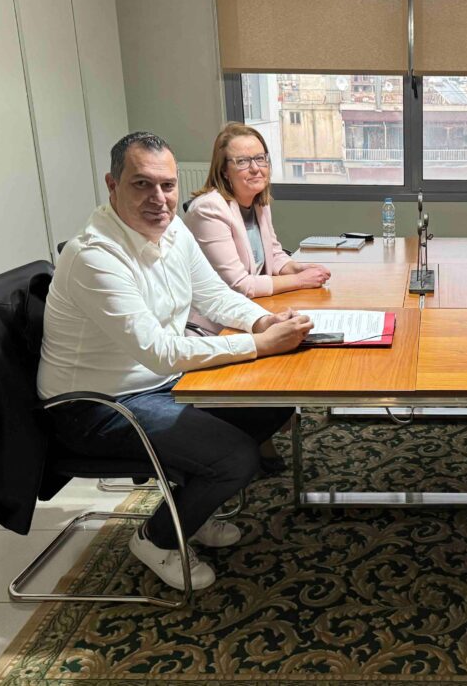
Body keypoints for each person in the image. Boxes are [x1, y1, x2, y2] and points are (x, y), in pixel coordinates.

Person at [37, 132, 313, 592]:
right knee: (235, 457)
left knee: (272, 404)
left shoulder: (173, 230)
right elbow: (160, 352)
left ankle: (193, 509)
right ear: (112, 185)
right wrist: (260, 345)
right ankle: (156, 538)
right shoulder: (93, 256)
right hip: (97, 406)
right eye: (141, 184)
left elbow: (215, 295)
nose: (158, 198)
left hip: (159, 383)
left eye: (167, 185)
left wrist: (263, 321)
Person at [184, 122, 330, 307]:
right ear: (224, 171)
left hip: (254, 305)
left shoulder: (258, 202)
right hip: (216, 317)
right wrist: (300, 280)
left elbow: (274, 255)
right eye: (242, 161)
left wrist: (297, 268)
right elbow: (239, 285)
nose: (255, 168)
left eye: (260, 158)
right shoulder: (209, 210)